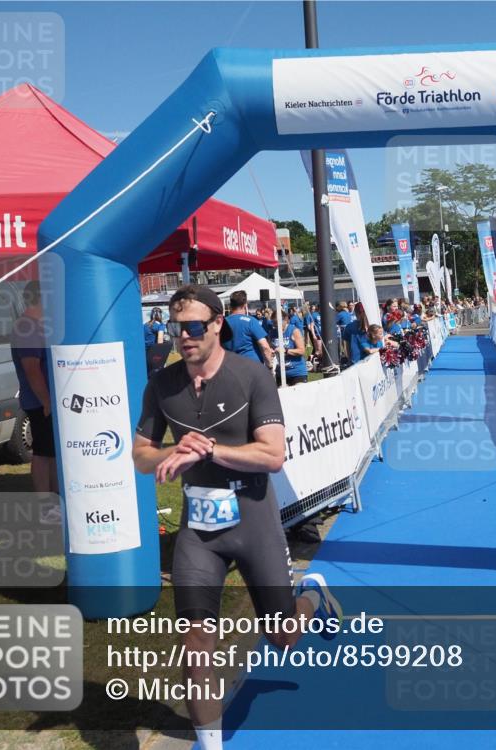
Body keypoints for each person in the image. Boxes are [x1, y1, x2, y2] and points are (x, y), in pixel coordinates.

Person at [132, 284, 340, 750]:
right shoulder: (161, 385)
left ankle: (311, 597)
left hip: (253, 522)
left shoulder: (250, 376)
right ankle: (212, 744)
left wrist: (212, 451)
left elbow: (273, 455)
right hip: (199, 534)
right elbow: (140, 456)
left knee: (283, 635)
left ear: (216, 325)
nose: (183, 337)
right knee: (195, 641)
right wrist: (172, 451)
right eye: (175, 327)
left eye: (192, 327)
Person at [11, 280, 59, 520]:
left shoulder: (37, 325)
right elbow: (31, 368)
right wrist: (47, 400)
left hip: (46, 401)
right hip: (41, 402)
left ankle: (54, 502)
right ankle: (46, 507)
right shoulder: (27, 327)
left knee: (51, 452)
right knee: (42, 452)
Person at [223, 291, 273, 368]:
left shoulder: (223, 323)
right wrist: (269, 366)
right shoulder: (251, 321)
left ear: (230, 305)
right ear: (245, 305)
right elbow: (265, 346)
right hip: (252, 367)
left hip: (231, 368)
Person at [277, 309, 309, 386]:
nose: (276, 325)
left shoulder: (294, 331)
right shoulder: (272, 332)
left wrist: (286, 351)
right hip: (280, 373)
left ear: (285, 320)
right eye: (274, 323)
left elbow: (302, 351)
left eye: (277, 322)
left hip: (297, 373)